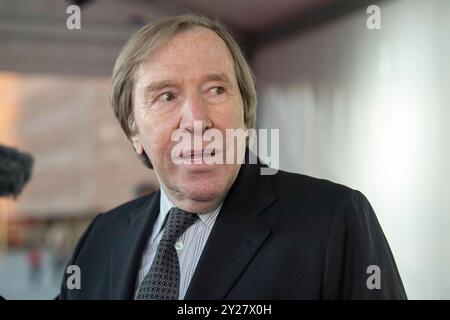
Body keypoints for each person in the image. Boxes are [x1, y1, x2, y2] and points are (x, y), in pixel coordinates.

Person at [59, 14, 407, 300]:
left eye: (216, 90)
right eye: (166, 96)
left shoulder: (334, 220)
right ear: (134, 132)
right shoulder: (101, 236)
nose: (197, 119)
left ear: (245, 110)